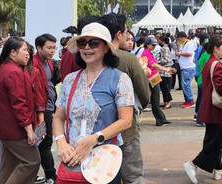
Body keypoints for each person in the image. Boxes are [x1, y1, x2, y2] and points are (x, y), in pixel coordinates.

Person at [52, 23, 134, 184]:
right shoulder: (70, 80)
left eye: (94, 43)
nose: (87, 48)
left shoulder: (120, 79)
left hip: (104, 161)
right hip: (73, 159)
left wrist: (93, 139)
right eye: (83, 43)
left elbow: (126, 121)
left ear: (106, 48)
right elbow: (58, 117)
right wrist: (61, 142)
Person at [98, 13, 151, 184]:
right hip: (125, 130)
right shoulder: (128, 59)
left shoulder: (90, 59)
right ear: (119, 34)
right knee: (132, 175)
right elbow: (144, 94)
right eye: (126, 32)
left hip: (98, 131)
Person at [0, 37, 41, 184]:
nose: (27, 54)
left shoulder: (4, 68)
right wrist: (29, 130)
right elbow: (19, 104)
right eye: (24, 50)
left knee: (9, 164)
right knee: (31, 162)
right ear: (12, 52)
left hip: (6, 127)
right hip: (14, 128)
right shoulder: (13, 72)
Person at [184, 35, 222, 183]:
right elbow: (221, 88)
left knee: (213, 140)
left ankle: (217, 168)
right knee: (215, 141)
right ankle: (193, 164)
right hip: (216, 110)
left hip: (209, 108)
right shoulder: (217, 64)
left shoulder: (209, 61)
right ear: (216, 48)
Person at [33, 34, 59, 184]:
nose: (52, 51)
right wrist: (40, 113)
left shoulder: (48, 62)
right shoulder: (33, 63)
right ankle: (51, 175)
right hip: (41, 110)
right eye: (49, 48)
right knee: (45, 141)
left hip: (49, 106)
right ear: (39, 48)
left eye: (54, 48)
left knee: (43, 141)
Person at [141, 36, 172, 126]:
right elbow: (154, 65)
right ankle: (160, 120)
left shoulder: (148, 52)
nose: (154, 47)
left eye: (155, 45)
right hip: (151, 78)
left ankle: (161, 119)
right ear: (147, 44)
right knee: (155, 99)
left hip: (154, 77)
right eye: (152, 45)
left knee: (155, 98)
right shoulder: (146, 53)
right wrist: (166, 70)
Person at [176, 32, 196, 108]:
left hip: (188, 67)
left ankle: (191, 101)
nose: (178, 40)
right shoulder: (184, 44)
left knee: (186, 85)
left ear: (182, 37)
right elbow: (179, 52)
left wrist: (179, 54)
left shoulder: (189, 44)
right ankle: (187, 100)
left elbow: (189, 54)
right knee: (184, 85)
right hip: (184, 67)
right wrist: (178, 46)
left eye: (179, 38)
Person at [158, 35, 173, 109]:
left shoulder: (165, 48)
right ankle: (165, 101)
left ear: (163, 41)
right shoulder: (163, 48)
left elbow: (167, 60)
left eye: (160, 40)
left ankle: (168, 102)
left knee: (166, 88)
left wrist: (158, 61)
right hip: (162, 71)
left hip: (165, 71)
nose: (158, 41)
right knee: (163, 88)